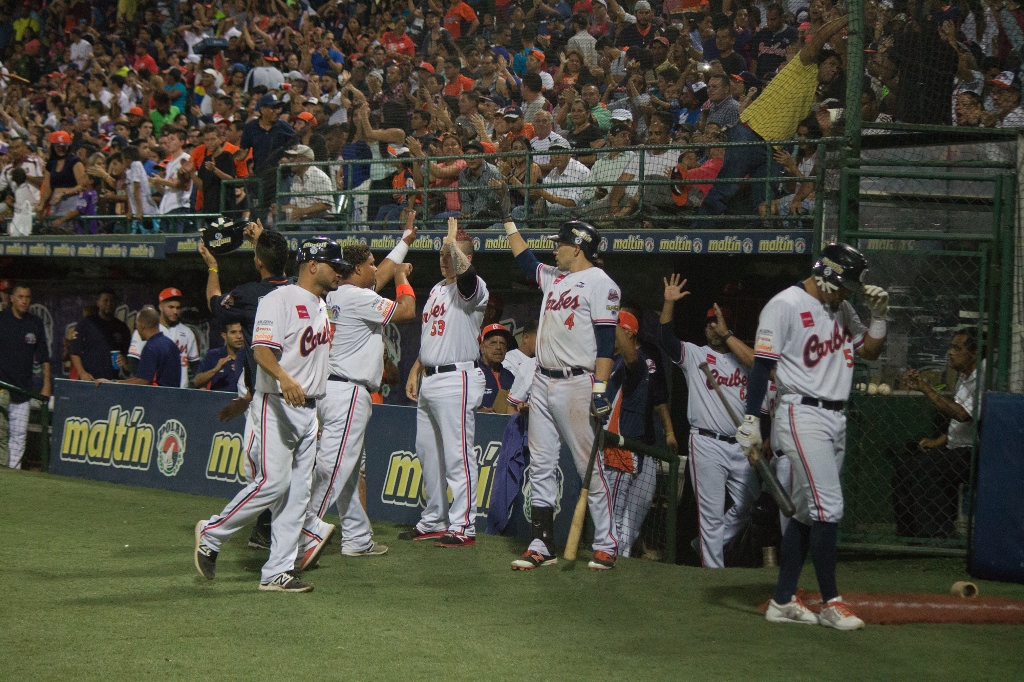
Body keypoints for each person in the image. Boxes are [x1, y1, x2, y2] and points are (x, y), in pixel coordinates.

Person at [737, 243, 888, 630]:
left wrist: (881, 316)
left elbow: (869, 351)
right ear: (823, 275)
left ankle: (783, 600)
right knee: (828, 508)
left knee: (806, 513)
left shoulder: (840, 306)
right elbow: (761, 366)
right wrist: (752, 418)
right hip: (801, 413)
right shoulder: (784, 304)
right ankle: (832, 603)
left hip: (835, 416)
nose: (848, 292)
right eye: (844, 284)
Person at [195, 237, 345, 593]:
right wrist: (284, 377)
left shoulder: (321, 304)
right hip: (277, 403)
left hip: (308, 410)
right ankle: (212, 533)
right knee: (274, 484)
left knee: (298, 495)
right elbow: (261, 349)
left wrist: (316, 407)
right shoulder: (279, 299)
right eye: (332, 264)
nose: (338, 270)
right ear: (311, 265)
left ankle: (276, 571)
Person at [503, 211, 620, 571]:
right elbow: (525, 260)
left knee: (587, 464)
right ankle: (542, 544)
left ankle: (606, 543)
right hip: (542, 379)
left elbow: (605, 343)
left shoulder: (602, 284)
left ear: (578, 248)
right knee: (540, 463)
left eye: (561, 245)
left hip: (577, 381)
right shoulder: (556, 278)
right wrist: (509, 221)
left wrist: (600, 389)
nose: (555, 251)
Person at [298, 225, 418, 566]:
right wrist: (400, 278)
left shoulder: (335, 293)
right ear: (355, 270)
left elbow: (374, 277)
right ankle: (304, 536)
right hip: (349, 392)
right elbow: (407, 311)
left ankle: (357, 537)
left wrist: (404, 244)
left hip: (329, 389)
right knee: (334, 468)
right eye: (370, 264)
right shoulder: (359, 297)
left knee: (349, 470)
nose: (374, 268)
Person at [697, 14, 848, 222]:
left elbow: (847, 69)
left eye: (836, 68)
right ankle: (697, 233)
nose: (834, 69)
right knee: (726, 188)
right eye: (830, 64)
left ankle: (754, 245)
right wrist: (848, 18)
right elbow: (821, 36)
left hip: (774, 150)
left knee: (763, 202)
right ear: (820, 62)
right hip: (750, 135)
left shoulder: (816, 93)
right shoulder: (804, 65)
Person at [200, 221, 291, 549]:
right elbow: (276, 260)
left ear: (258, 262)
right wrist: (264, 238)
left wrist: (212, 266)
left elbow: (215, 305)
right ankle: (271, 531)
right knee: (289, 473)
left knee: (264, 473)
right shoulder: (300, 290)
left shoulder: (251, 294)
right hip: (301, 395)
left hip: (265, 395)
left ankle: (232, 531)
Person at [403, 218, 489, 547]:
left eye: (450, 253)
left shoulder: (475, 286)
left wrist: (453, 242)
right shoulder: (438, 289)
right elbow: (431, 339)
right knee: (428, 453)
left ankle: (463, 525)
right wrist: (416, 369)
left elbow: (465, 279)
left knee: (458, 455)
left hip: (458, 378)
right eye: (441, 253)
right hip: (431, 377)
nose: (444, 258)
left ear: (464, 256)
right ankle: (435, 518)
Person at [660, 278, 757, 567]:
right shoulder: (696, 354)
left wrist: (728, 335)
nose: (713, 327)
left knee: (749, 505)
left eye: (719, 322)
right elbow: (666, 340)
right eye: (710, 323)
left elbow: (761, 365)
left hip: (741, 444)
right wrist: (669, 303)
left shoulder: (745, 359)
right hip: (706, 442)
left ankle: (705, 544)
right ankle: (712, 569)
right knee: (711, 513)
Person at [897, 332, 979, 539]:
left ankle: (938, 535)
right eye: (951, 347)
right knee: (906, 466)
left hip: (975, 452)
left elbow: (961, 415)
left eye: (957, 348)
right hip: (956, 448)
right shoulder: (963, 376)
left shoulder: (984, 377)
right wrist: (937, 442)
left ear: (974, 353)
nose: (950, 352)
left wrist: (925, 387)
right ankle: (909, 533)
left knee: (927, 467)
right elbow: (958, 429)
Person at [0, 284, 50, 469]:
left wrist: (46, 384)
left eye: (27, 297)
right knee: (0, 433)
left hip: (23, 389)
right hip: (1, 387)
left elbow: (44, 355)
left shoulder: (34, 323)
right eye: (20, 296)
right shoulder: (2, 319)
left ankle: (11, 471)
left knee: (19, 435)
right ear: (12, 298)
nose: (24, 300)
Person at [127, 288, 199, 389]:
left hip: (181, 390)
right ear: (160, 306)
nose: (175, 311)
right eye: (171, 307)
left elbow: (195, 364)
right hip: (154, 390)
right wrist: (142, 382)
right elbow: (134, 361)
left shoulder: (187, 332)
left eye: (178, 308)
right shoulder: (149, 329)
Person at [96, 307, 180, 388]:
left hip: (158, 398)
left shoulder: (151, 347)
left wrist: (113, 383)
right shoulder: (171, 344)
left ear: (142, 325)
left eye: (137, 325)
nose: (137, 329)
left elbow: (143, 381)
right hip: (174, 398)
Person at [69, 290, 130, 382]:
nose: (109, 304)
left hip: (111, 381)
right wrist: (82, 373)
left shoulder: (122, 328)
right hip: (89, 379)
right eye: (105, 300)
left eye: (112, 301)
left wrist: (124, 359)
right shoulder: (86, 323)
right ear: (98, 302)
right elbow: (74, 351)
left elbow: (127, 354)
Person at [151, 127, 194, 233]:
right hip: (166, 208)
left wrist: (161, 181)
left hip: (178, 207)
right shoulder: (169, 163)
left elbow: (184, 186)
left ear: (182, 142)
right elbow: (166, 191)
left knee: (174, 244)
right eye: (168, 139)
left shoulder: (186, 159)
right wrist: (156, 183)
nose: (168, 142)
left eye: (172, 139)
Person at [279, 145, 335, 225]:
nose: (290, 160)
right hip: (303, 220)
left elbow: (326, 205)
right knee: (278, 227)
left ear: (306, 159)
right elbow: (294, 206)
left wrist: (302, 211)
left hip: (323, 220)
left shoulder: (320, 177)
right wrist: (280, 208)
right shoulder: (295, 179)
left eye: (295, 157)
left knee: (304, 226)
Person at [193, 321, 245, 392]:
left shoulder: (251, 356)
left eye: (241, 332)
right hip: (218, 401)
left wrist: (242, 372)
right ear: (224, 336)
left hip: (244, 401)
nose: (239, 336)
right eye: (233, 332)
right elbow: (196, 382)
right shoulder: (213, 355)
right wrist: (216, 369)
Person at [479, 323, 516, 413]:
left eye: (502, 343)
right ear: (483, 348)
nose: (499, 347)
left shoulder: (509, 376)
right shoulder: (472, 373)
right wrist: (477, 412)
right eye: (493, 343)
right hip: (479, 424)